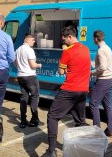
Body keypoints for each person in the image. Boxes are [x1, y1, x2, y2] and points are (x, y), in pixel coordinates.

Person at [45, 26, 91, 157]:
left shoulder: (68, 51)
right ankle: (83, 148)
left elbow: (61, 71)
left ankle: (52, 151)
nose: (64, 42)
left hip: (70, 89)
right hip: (83, 90)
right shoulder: (86, 49)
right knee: (80, 120)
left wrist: (64, 53)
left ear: (70, 37)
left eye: (65, 39)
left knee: (52, 116)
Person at [89, 30, 112, 137]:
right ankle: (110, 130)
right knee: (108, 106)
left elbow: (103, 67)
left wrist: (92, 72)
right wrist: (90, 62)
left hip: (103, 80)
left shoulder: (101, 51)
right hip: (110, 79)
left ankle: (97, 132)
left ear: (96, 38)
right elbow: (102, 63)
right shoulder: (107, 48)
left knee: (93, 104)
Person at [15, 34, 43, 128]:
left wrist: (21, 68)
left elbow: (15, 63)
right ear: (27, 40)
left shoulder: (18, 49)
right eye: (32, 40)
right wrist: (39, 65)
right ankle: (34, 120)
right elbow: (32, 65)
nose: (34, 41)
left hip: (21, 76)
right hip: (30, 76)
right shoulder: (29, 50)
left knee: (24, 97)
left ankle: (23, 121)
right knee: (35, 97)